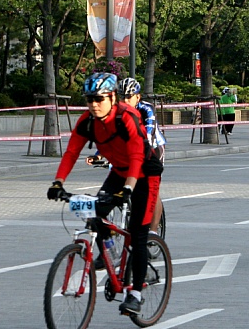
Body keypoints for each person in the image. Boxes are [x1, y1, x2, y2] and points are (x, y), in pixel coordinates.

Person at [47, 72, 163, 316]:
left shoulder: (127, 117)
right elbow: (71, 153)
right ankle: (112, 255)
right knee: (95, 213)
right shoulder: (87, 121)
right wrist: (58, 182)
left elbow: (136, 156)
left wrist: (128, 188)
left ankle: (135, 294)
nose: (93, 105)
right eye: (89, 99)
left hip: (143, 174)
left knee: (138, 235)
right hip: (118, 172)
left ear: (112, 97)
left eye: (99, 99)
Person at [116, 77, 166, 234]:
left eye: (128, 97)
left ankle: (153, 231)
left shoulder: (146, 109)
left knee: (152, 189)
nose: (125, 100)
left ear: (137, 97)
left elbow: (149, 133)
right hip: (132, 148)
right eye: (122, 96)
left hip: (153, 147)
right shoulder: (117, 111)